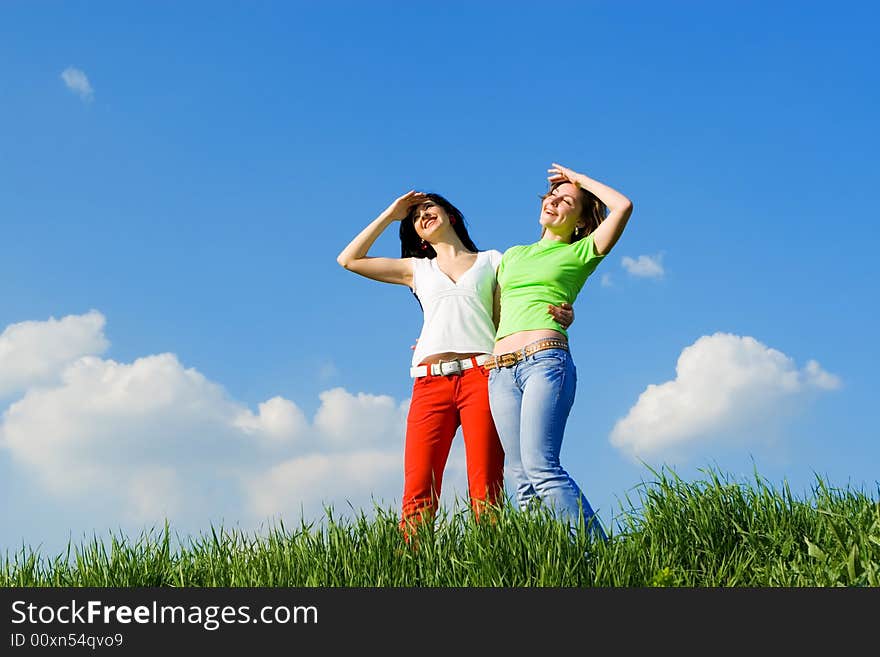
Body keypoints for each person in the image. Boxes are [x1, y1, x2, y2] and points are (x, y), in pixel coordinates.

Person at [336, 190, 574, 535]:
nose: (421, 216)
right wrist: (391, 214)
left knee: (486, 487)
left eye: (428, 207)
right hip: (429, 382)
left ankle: (490, 567)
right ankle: (411, 570)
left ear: (452, 216)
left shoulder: (494, 260)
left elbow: (526, 294)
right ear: (416, 235)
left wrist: (562, 313)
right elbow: (349, 259)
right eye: (414, 216)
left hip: (484, 376)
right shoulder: (416, 269)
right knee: (418, 489)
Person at [484, 162, 634, 540]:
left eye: (566, 200)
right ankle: (556, 563)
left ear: (581, 222)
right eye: (552, 195)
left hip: (543, 362)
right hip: (500, 371)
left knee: (541, 468)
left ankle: (600, 555)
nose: (553, 201)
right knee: (519, 479)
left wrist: (579, 179)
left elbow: (623, 207)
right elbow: (492, 311)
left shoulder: (582, 251)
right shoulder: (513, 255)